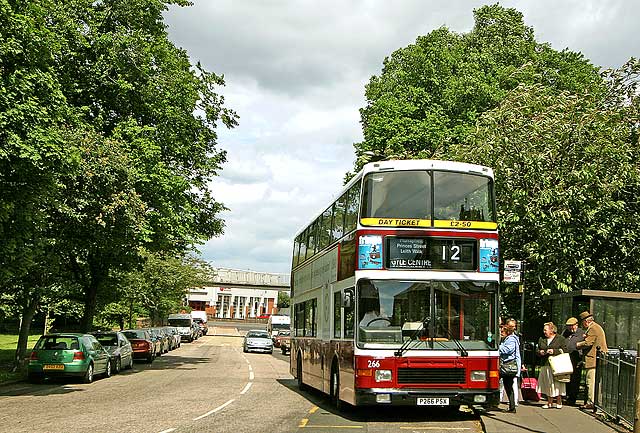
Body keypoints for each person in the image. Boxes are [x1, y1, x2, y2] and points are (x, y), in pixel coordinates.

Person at [576, 311, 608, 410]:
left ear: (586, 321)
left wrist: (578, 344)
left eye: (582, 323)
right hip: (597, 359)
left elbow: (588, 343)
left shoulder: (593, 328)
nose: (582, 325)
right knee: (596, 382)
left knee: (591, 381)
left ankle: (592, 402)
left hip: (593, 360)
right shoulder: (595, 327)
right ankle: (596, 403)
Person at [536, 322, 568, 409]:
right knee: (548, 383)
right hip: (546, 364)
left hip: (557, 365)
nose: (544, 332)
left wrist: (554, 351)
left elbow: (565, 350)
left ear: (552, 330)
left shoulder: (560, 339)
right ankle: (549, 402)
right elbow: (537, 350)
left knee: (557, 383)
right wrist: (540, 352)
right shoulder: (541, 339)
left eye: (545, 330)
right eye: (544, 330)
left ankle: (559, 400)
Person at [562, 317, 585, 405]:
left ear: (576, 325)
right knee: (567, 378)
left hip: (576, 359)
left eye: (572, 326)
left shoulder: (581, 333)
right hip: (567, 359)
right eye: (568, 326)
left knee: (575, 379)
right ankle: (566, 395)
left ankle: (572, 398)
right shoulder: (566, 332)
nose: (570, 328)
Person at [499, 322, 521, 413]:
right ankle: (512, 407)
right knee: (508, 386)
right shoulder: (507, 339)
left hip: (508, 366)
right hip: (506, 365)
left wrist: (497, 347)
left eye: (502, 332)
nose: (501, 333)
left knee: (508, 386)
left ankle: (512, 407)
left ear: (507, 332)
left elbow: (508, 350)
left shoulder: (511, 339)